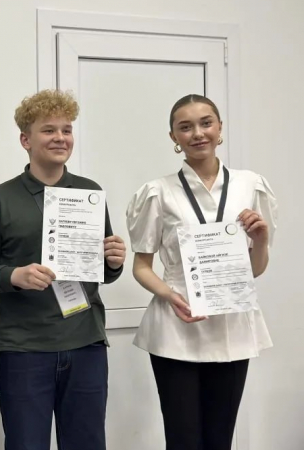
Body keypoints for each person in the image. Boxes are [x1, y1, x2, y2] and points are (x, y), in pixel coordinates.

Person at [126, 94, 277, 450]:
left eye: (206, 123)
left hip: (231, 326)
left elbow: (253, 270)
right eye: (186, 127)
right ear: (174, 137)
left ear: (220, 128)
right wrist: (171, 296)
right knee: (183, 440)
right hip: (175, 327)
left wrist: (261, 241)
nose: (197, 133)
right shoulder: (158, 192)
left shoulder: (250, 185)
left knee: (219, 439)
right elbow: (141, 266)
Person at [0, 89, 126, 450]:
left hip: (86, 343)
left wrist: (113, 261)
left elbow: (103, 272)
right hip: (24, 348)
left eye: (67, 130)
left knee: (87, 444)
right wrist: (14, 276)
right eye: (48, 130)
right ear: (25, 140)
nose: (60, 138)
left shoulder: (89, 193)